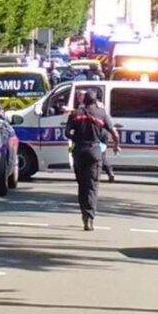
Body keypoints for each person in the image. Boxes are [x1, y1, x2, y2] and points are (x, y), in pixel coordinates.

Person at [64, 90, 120, 231]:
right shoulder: (101, 114)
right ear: (95, 101)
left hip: (79, 152)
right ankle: (89, 218)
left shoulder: (75, 114)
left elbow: (67, 133)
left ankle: (84, 214)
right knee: (92, 186)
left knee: (82, 185)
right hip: (95, 152)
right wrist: (116, 145)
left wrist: (76, 138)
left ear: (84, 100)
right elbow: (114, 133)